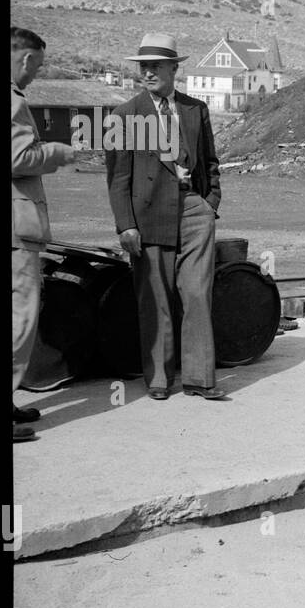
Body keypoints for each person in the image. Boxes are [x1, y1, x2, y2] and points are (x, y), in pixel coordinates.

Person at [107, 33, 226, 401]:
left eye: (156, 66)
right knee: (155, 299)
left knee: (196, 294)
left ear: (175, 68)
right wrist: (126, 224)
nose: (148, 72)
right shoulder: (123, 116)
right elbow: (117, 178)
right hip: (148, 215)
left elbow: (210, 163)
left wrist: (210, 203)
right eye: (144, 66)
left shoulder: (195, 109)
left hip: (194, 212)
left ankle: (200, 379)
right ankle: (159, 380)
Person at [12, 27, 78, 443]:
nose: (36, 74)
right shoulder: (14, 102)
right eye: (36, 65)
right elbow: (18, 157)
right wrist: (61, 151)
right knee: (19, 318)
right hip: (16, 230)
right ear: (24, 60)